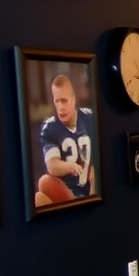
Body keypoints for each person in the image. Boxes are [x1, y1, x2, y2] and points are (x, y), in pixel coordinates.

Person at [35, 73, 97, 208]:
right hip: (65, 195)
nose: (60, 107)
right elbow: (52, 166)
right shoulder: (49, 128)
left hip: (91, 192)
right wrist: (69, 167)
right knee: (41, 191)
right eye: (57, 101)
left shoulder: (90, 118)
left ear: (73, 99)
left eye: (64, 100)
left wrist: (94, 194)